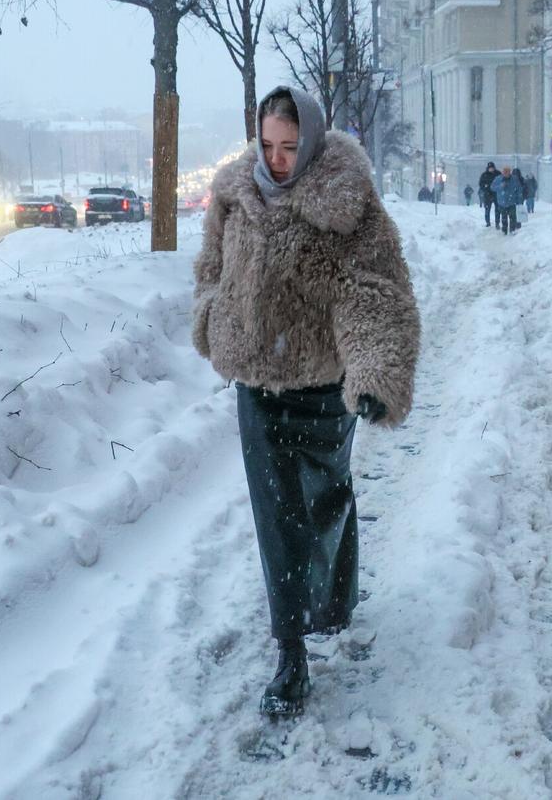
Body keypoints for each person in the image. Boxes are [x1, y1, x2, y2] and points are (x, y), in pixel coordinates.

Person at [192, 86, 421, 718]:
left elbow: (372, 292)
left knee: (326, 500)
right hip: (256, 385)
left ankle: (335, 598)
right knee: (278, 515)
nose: (278, 159)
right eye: (268, 144)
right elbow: (210, 268)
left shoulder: (348, 204)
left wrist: (373, 375)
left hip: (322, 381)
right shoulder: (236, 194)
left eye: (290, 147)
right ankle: (291, 653)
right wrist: (213, 317)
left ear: (313, 141)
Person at [490, 165, 524, 235]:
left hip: (512, 202)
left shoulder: (514, 179)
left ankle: (512, 230)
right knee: (504, 217)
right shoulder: (498, 179)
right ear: (502, 172)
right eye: (504, 172)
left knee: (512, 217)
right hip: (502, 202)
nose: (506, 173)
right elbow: (492, 187)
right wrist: (500, 187)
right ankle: (504, 230)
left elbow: (519, 190)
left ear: (510, 172)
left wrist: (519, 200)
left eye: (507, 172)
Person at [478, 161, 499, 227]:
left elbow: (501, 182)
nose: (491, 169)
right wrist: (485, 188)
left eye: (492, 168)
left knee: (498, 210)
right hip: (487, 194)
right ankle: (488, 222)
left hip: (496, 194)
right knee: (487, 209)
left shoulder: (498, 174)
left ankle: (497, 223)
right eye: (490, 168)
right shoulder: (484, 175)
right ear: (488, 168)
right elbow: (481, 184)